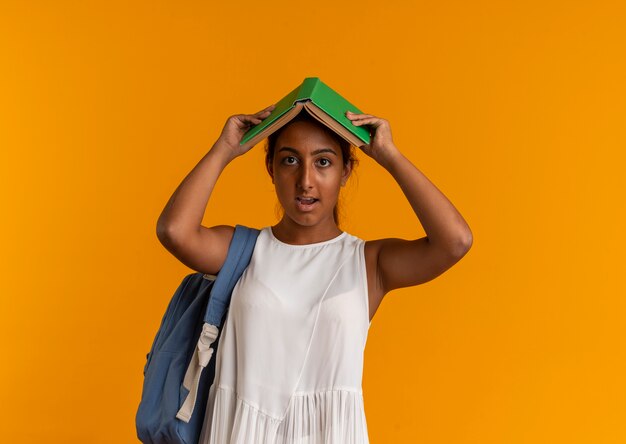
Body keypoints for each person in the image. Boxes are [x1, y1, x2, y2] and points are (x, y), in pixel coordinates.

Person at [156, 103, 473, 443]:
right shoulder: (242, 251)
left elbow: (455, 241)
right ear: (271, 167)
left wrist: (389, 155)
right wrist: (225, 149)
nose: (305, 181)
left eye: (323, 162)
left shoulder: (368, 262)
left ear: (346, 170)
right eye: (290, 160)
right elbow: (175, 231)